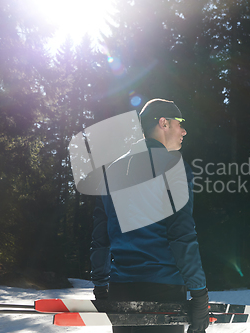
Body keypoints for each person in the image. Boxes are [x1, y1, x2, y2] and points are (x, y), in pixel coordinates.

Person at [90, 99, 209, 333]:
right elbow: (181, 235)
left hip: (120, 290)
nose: (184, 130)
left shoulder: (111, 171)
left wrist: (101, 286)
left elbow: (101, 237)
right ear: (163, 122)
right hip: (163, 291)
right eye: (180, 123)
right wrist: (199, 293)